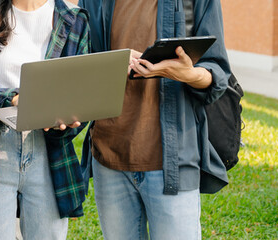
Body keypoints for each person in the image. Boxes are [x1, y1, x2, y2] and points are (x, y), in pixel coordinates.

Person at [78, 0, 231, 239]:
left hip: (173, 161)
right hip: (108, 159)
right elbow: (79, 63)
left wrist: (189, 74)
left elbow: (217, 71)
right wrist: (112, 62)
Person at [0, 0, 91, 238]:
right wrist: (12, 98)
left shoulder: (74, 19)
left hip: (50, 153)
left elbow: (80, 91)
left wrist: (68, 120)